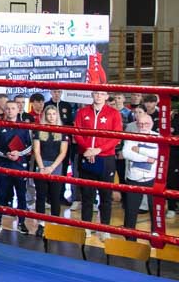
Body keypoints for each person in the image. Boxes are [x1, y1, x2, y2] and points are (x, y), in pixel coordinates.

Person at [73, 91, 123, 241]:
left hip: (106, 158)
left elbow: (117, 136)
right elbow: (77, 132)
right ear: (92, 95)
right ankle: (86, 227)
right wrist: (88, 149)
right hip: (86, 156)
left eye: (102, 94)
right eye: (96, 93)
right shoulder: (82, 112)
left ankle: (105, 228)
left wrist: (99, 150)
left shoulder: (114, 113)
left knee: (105, 196)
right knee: (87, 196)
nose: (99, 96)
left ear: (107, 96)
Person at [0, 101, 32, 234]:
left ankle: (21, 223)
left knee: (21, 195)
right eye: (7, 108)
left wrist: (19, 153)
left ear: (18, 110)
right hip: (4, 165)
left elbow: (31, 145)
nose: (10, 111)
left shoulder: (25, 126)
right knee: (1, 195)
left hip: (20, 165)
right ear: (4, 110)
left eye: (13, 108)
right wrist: (5, 154)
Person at [121, 110, 158, 241]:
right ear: (137, 124)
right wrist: (147, 158)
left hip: (152, 178)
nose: (143, 126)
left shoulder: (157, 137)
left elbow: (158, 154)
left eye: (146, 124)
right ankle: (130, 240)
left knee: (155, 210)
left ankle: (156, 238)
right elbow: (126, 153)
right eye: (140, 124)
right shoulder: (131, 136)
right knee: (131, 210)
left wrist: (140, 150)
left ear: (151, 124)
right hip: (134, 178)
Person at [32, 105, 68, 237]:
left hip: (56, 165)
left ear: (57, 115)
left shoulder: (62, 131)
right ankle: (41, 224)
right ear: (45, 116)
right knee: (40, 196)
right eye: (49, 114)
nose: (51, 117)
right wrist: (42, 168)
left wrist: (52, 168)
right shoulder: (39, 130)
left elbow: (63, 152)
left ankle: (54, 224)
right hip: (41, 164)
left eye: (54, 114)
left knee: (55, 196)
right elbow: (36, 150)